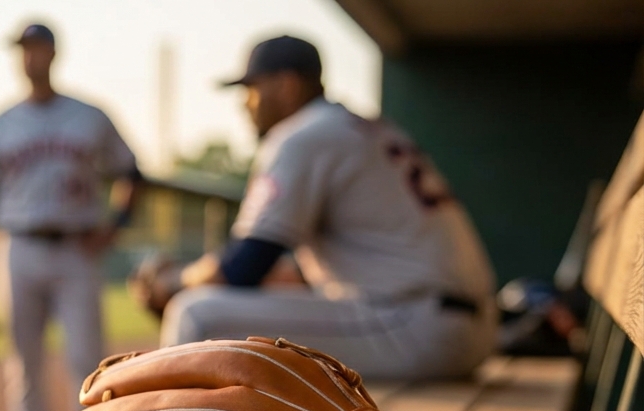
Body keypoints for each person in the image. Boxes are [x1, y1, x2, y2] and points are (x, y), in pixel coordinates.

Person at [144, 35, 497, 380]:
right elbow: (295, 271)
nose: (245, 103)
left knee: (194, 314)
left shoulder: (303, 135)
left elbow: (244, 267)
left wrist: (173, 281)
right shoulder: (367, 129)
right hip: (469, 327)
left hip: (417, 328)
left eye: (253, 88)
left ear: (286, 85)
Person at [0, 21, 140, 411]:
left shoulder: (89, 116)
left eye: (37, 49)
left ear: (54, 53)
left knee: (87, 361)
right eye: (23, 50)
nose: (30, 58)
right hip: (16, 246)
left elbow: (131, 172)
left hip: (76, 247)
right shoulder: (0, 124)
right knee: (24, 366)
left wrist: (113, 227)